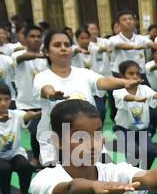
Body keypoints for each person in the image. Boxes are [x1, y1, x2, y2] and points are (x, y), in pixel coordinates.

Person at [34, 30, 136, 165]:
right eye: (57, 45)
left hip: (91, 138)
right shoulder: (42, 76)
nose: (63, 48)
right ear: (47, 51)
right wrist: (52, 94)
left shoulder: (84, 74)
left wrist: (124, 82)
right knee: (65, 182)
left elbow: (104, 82)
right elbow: (45, 89)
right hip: (57, 141)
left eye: (67, 44)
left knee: (103, 174)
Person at [111, 59, 157, 170]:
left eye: (137, 74)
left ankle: (143, 172)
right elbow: (125, 97)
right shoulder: (118, 91)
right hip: (124, 130)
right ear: (122, 76)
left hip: (142, 130)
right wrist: (136, 98)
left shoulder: (144, 89)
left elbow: (155, 95)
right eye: (130, 74)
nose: (135, 76)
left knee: (150, 152)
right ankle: (132, 175)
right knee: (134, 152)